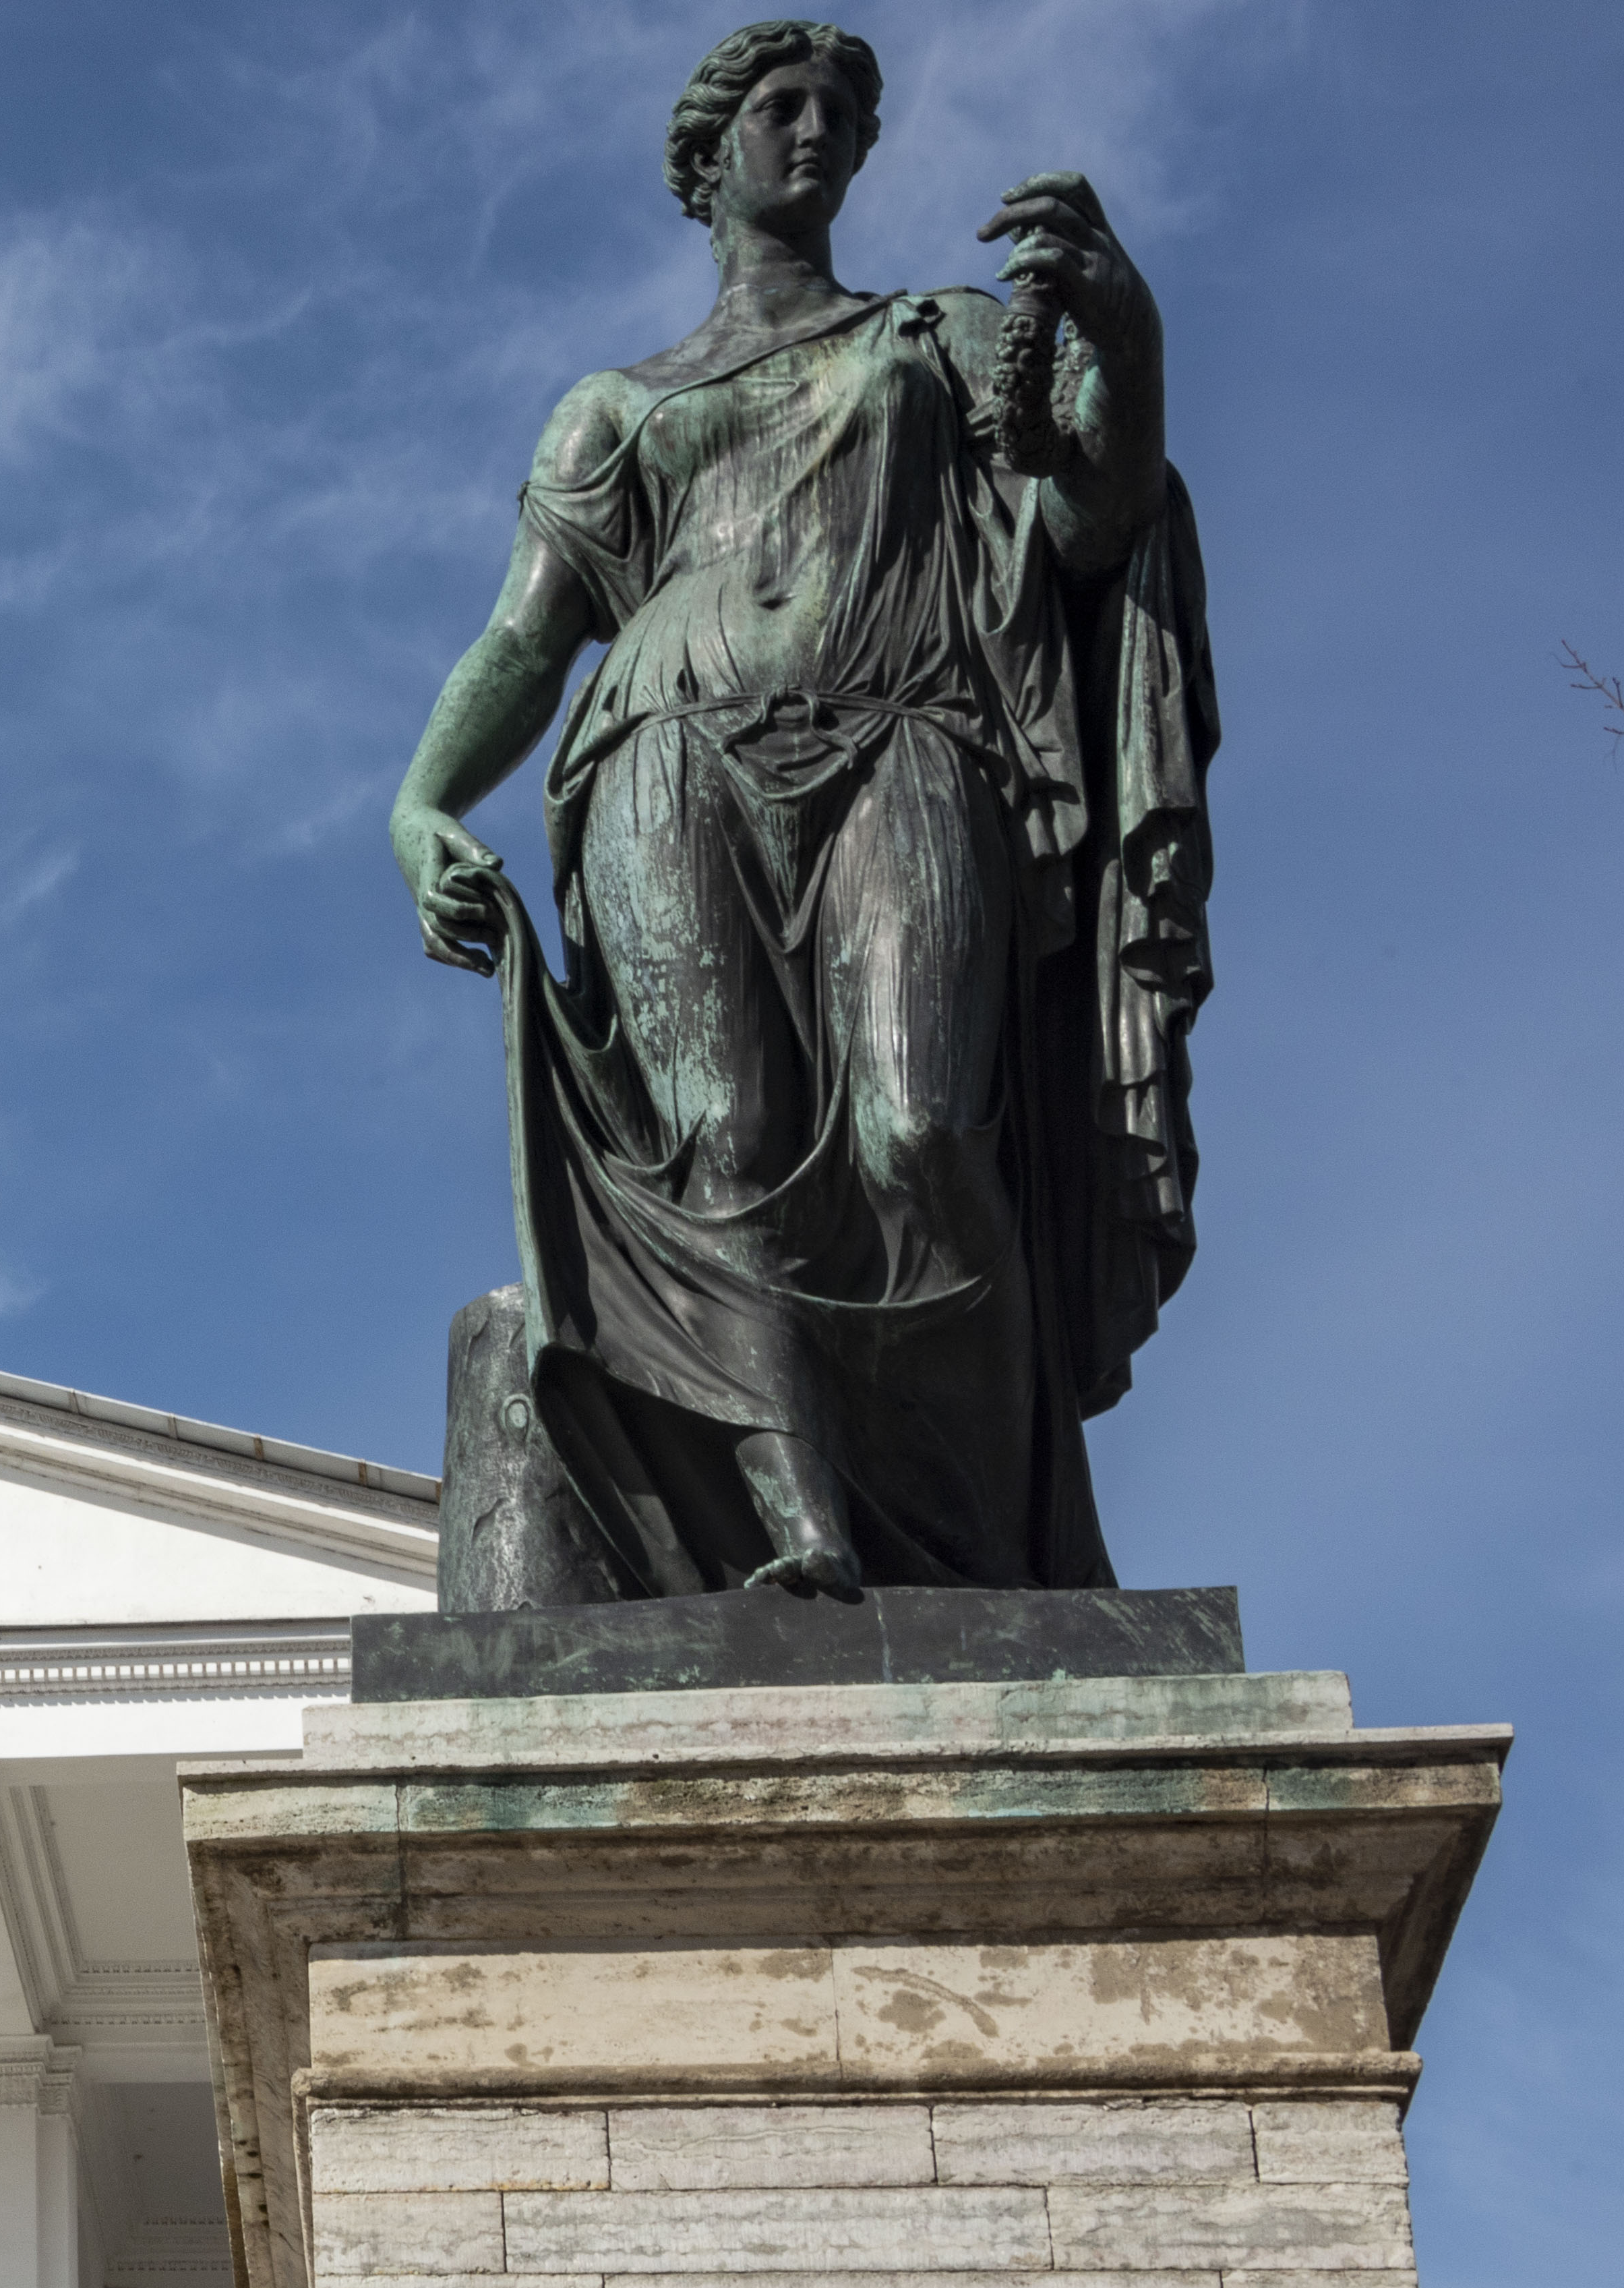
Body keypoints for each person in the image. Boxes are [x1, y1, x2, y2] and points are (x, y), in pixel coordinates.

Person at [389, 19, 1215, 1606]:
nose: (813, 132)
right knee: (721, 1136)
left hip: (905, 742)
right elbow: (521, 636)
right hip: (660, 758)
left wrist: (1127, 342)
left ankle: (1006, 1557)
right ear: (706, 163)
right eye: (778, 109)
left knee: (918, 1129)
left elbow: (1090, 510)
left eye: (839, 109)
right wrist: (424, 798)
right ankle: (799, 1519)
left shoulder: (938, 336)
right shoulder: (610, 409)